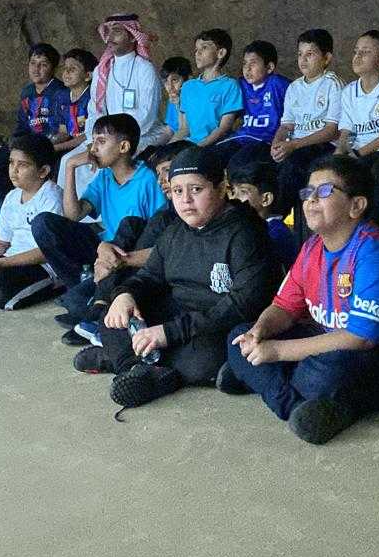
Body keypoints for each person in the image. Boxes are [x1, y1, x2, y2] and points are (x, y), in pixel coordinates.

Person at [221, 154, 379, 444]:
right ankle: (296, 405)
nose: (311, 199)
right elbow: (284, 307)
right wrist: (259, 332)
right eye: (307, 192)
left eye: (325, 191)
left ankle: (269, 380)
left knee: (323, 373)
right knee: (238, 337)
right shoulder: (312, 247)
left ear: (356, 206)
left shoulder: (375, 253)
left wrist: (276, 353)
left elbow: (359, 339)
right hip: (331, 340)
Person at [75, 147, 281, 410]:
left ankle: (127, 362)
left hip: (215, 325)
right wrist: (125, 295)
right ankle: (136, 369)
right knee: (114, 317)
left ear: (222, 188)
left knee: (210, 357)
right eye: (177, 191)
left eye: (196, 189)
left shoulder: (246, 233)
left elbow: (243, 305)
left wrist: (168, 333)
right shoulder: (174, 232)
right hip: (176, 314)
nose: (186, 200)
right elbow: (149, 276)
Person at [59, 141, 190, 346]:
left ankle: (101, 311)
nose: (161, 180)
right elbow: (73, 215)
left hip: (162, 281)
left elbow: (173, 253)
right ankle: (100, 306)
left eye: (167, 170)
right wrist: (105, 250)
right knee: (130, 224)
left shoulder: (190, 211)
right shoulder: (166, 210)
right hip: (125, 268)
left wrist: (121, 260)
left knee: (81, 302)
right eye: (159, 173)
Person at [30, 114, 166, 298]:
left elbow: (158, 231)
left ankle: (90, 294)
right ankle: (80, 287)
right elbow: (73, 215)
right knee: (43, 223)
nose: (93, 149)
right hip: (104, 248)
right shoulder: (104, 177)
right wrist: (69, 166)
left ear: (123, 147)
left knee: (129, 224)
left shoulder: (148, 179)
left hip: (130, 253)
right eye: (93, 142)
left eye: (101, 142)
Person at [57, 13, 166, 191]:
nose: (109, 36)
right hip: (106, 136)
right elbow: (95, 110)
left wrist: (114, 139)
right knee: (67, 161)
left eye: (117, 31)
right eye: (108, 32)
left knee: (106, 162)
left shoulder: (144, 69)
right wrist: (94, 139)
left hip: (141, 135)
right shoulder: (102, 69)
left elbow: (147, 115)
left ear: (132, 36)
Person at [0, 134, 65, 310]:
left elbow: (47, 251)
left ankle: (57, 285)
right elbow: (0, 242)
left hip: (42, 265)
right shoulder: (12, 197)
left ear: (43, 171)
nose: (13, 170)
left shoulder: (52, 196)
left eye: (22, 165)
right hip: (11, 260)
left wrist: (0, 263)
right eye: (11, 163)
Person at [271, 29, 342, 240]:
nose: (303, 60)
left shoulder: (333, 84)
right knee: (270, 166)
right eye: (300, 54)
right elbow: (286, 125)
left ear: (326, 58)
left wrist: (293, 145)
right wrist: (277, 143)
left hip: (323, 145)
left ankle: (274, 218)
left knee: (296, 167)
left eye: (310, 54)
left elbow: (332, 130)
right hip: (296, 146)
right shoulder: (294, 87)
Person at [335, 30, 379, 230]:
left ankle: (372, 232)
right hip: (357, 151)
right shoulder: (349, 91)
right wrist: (339, 154)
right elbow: (346, 132)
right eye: (356, 51)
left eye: (365, 52)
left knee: (375, 171)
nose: (357, 56)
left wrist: (356, 155)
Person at [213, 40, 290, 166]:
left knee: (239, 162)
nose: (247, 69)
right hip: (242, 138)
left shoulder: (278, 84)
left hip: (266, 141)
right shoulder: (240, 86)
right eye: (244, 63)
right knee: (212, 156)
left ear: (269, 67)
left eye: (253, 63)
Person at [227, 159, 298, 270]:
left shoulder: (276, 234)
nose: (233, 198)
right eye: (233, 192)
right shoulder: (246, 227)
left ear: (266, 199)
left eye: (243, 192)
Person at [180, 28, 242, 147]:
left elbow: (223, 129)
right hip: (189, 144)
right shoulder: (188, 86)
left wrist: (198, 148)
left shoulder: (230, 86)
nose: (197, 53)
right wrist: (167, 148)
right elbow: (184, 129)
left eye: (204, 47)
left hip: (214, 145)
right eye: (196, 49)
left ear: (220, 53)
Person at [49, 47, 96, 158]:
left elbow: (88, 135)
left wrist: (57, 147)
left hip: (89, 144)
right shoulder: (61, 97)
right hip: (70, 144)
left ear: (87, 76)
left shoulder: (92, 97)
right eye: (65, 68)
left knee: (65, 159)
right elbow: (64, 132)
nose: (67, 72)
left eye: (73, 69)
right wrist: (48, 143)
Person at [13, 42, 66, 138]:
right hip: (31, 142)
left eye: (43, 64)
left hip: (54, 143)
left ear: (54, 69)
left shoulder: (61, 92)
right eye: (33, 63)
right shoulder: (27, 93)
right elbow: (22, 125)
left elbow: (64, 132)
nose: (36, 69)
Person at [161, 56, 193, 141]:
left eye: (174, 80)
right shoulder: (174, 99)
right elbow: (169, 130)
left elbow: (185, 131)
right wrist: (153, 146)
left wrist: (167, 148)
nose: (170, 87)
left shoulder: (193, 100)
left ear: (189, 79)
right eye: (166, 82)